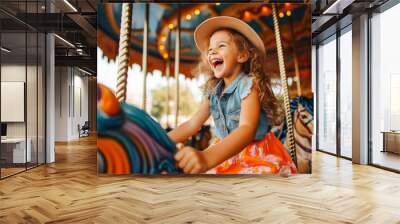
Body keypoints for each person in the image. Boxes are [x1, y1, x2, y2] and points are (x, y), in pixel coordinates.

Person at [167, 16, 297, 175]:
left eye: (221, 46)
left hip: (256, 152)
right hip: (224, 151)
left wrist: (206, 158)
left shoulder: (249, 85)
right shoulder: (213, 89)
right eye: (210, 49)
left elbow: (246, 129)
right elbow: (192, 124)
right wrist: (159, 141)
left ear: (242, 55)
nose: (212, 51)